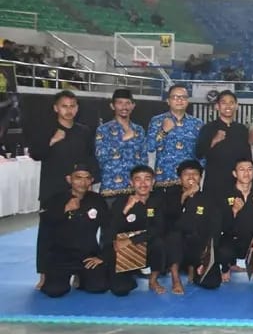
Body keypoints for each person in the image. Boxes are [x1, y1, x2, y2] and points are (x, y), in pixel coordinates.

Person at [29, 90, 98, 290]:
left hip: (79, 189)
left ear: (77, 108)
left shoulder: (84, 131)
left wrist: (90, 182)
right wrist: (52, 140)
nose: (69, 110)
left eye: (72, 106)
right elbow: (35, 154)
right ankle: (44, 274)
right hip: (52, 190)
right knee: (48, 233)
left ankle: (78, 271)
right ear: (56, 108)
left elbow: (90, 157)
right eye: (64, 106)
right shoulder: (47, 129)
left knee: (81, 231)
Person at [38, 163, 110, 297]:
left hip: (88, 255)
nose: (83, 182)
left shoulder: (98, 200)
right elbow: (45, 233)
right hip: (60, 256)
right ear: (69, 179)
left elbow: (109, 229)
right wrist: (65, 209)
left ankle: (81, 278)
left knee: (99, 287)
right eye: (78, 177)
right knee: (54, 291)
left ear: (92, 180)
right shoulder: (55, 199)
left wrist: (102, 257)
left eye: (87, 178)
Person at [101, 165, 165, 297]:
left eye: (147, 179)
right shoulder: (121, 201)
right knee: (121, 290)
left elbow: (158, 229)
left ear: (153, 182)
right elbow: (111, 229)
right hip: (124, 251)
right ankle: (130, 272)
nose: (143, 183)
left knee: (159, 242)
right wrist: (126, 209)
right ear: (131, 182)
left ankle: (153, 280)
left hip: (144, 245)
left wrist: (131, 240)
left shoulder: (158, 200)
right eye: (138, 179)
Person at [211, 158, 253, 286]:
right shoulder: (224, 195)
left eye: (250, 169)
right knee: (223, 249)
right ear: (234, 173)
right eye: (242, 169)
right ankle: (226, 267)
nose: (246, 173)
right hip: (233, 239)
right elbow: (221, 225)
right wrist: (234, 211)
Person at [159, 160, 216, 296]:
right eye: (186, 174)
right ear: (180, 178)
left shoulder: (208, 197)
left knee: (211, 283)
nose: (191, 177)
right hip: (175, 245)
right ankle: (175, 277)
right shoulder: (169, 195)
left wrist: (208, 254)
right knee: (174, 235)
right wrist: (185, 196)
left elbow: (213, 225)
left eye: (195, 174)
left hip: (198, 246)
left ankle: (192, 268)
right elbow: (169, 221)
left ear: (200, 178)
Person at [95, 88, 149, 203]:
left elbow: (144, 160)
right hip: (112, 189)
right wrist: (122, 140)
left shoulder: (139, 130)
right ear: (112, 106)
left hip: (135, 191)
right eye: (120, 103)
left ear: (133, 106)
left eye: (128, 103)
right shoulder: (103, 129)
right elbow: (101, 157)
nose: (124, 107)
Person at [195, 90, 251, 200]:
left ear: (236, 106)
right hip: (214, 183)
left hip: (237, 183)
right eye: (224, 102)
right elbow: (199, 153)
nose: (228, 106)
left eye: (231, 102)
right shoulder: (208, 128)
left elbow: (247, 157)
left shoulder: (242, 129)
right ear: (217, 106)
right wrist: (213, 141)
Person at [147, 84, 203, 191]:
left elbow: (202, 154)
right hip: (163, 181)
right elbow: (150, 147)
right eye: (175, 97)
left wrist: (198, 177)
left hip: (189, 183)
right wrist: (163, 131)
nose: (179, 100)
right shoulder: (157, 121)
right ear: (168, 101)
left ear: (187, 101)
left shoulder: (197, 124)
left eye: (183, 97)